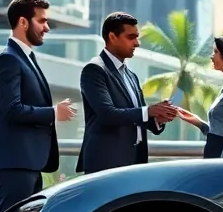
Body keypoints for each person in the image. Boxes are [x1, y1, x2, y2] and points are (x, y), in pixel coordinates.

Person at [0, 0, 77, 212]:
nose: (46, 28)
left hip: (28, 161)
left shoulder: (25, 58)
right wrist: (54, 112)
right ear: (23, 22)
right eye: (42, 21)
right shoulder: (8, 60)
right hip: (15, 160)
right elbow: (12, 109)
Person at [76, 12, 178, 174]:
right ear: (112, 37)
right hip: (106, 163)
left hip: (133, 163)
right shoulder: (94, 70)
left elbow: (139, 116)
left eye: (137, 37)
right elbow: (107, 114)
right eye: (131, 37)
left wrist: (158, 118)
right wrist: (148, 111)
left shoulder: (131, 76)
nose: (137, 43)